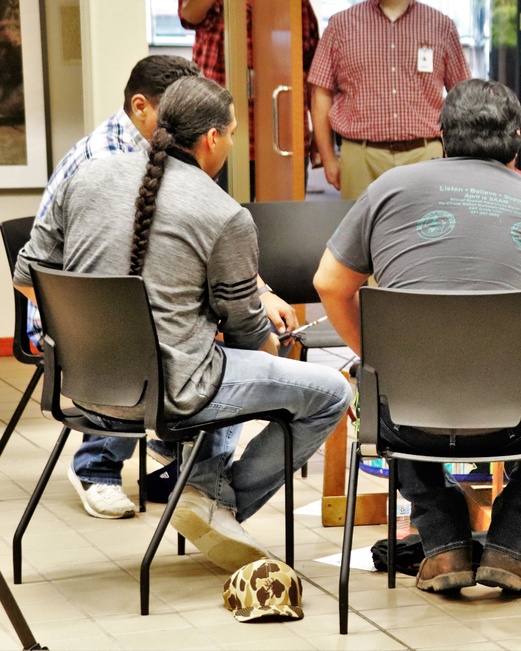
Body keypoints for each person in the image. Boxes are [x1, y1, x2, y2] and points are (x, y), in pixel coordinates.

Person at [13, 76, 352, 571]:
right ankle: (217, 501)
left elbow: (28, 276)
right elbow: (247, 335)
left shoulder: (84, 178)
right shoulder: (223, 212)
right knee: (330, 393)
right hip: (173, 396)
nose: (233, 144)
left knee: (212, 360)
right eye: (233, 134)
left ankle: (205, 489)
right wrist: (275, 354)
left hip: (80, 386)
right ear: (213, 138)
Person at [314, 79, 521, 595]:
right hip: (515, 421)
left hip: (404, 417)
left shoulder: (387, 189)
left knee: (370, 379)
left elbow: (329, 285)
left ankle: (443, 546)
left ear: (440, 134)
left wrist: (376, 359)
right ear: (517, 141)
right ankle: (513, 547)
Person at [28, 56, 204, 520]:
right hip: (74, 312)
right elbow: (52, 271)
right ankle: (97, 467)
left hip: (120, 301)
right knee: (140, 328)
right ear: (141, 106)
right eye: (175, 111)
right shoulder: (106, 162)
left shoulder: (165, 153)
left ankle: (190, 464)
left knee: (203, 321)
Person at [308, 0, 471, 200]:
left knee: (427, 230)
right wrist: (328, 158)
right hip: (360, 159)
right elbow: (320, 93)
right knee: (363, 233)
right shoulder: (340, 26)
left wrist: (464, 159)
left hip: (425, 156)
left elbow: (463, 96)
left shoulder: (441, 26)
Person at [179, 0, 320, 196]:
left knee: (282, 218)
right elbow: (189, 14)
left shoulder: (295, 3)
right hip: (217, 134)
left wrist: (316, 136)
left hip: (279, 136)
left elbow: (310, 73)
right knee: (218, 216)